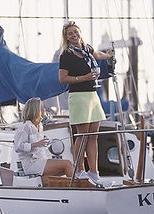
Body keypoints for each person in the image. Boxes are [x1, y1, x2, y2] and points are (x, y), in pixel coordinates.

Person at [58, 21, 114, 185]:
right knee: (82, 136)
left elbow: (97, 54)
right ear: (66, 38)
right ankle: (80, 170)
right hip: (79, 97)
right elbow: (62, 79)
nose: (74, 35)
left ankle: (94, 172)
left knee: (93, 136)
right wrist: (84, 78)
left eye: (75, 32)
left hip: (92, 95)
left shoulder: (86, 49)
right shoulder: (66, 55)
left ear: (79, 32)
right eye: (70, 34)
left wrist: (108, 55)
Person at [14, 97, 75, 177]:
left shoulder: (40, 125)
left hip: (41, 159)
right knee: (67, 164)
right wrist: (37, 144)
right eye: (42, 107)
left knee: (72, 166)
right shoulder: (26, 127)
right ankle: (75, 187)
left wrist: (45, 142)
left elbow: (39, 145)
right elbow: (18, 147)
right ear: (36, 110)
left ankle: (71, 187)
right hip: (32, 164)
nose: (44, 109)